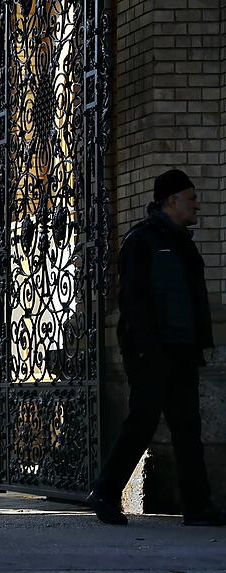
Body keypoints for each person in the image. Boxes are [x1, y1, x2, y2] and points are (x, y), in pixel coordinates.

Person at [86, 169, 223, 526]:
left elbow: (194, 301)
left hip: (183, 350)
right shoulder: (141, 241)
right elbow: (133, 301)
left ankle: (197, 507)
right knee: (142, 424)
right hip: (152, 352)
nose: (197, 205)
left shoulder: (183, 243)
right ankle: (105, 491)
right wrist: (145, 350)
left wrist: (200, 344)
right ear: (172, 201)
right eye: (191, 198)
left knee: (187, 427)